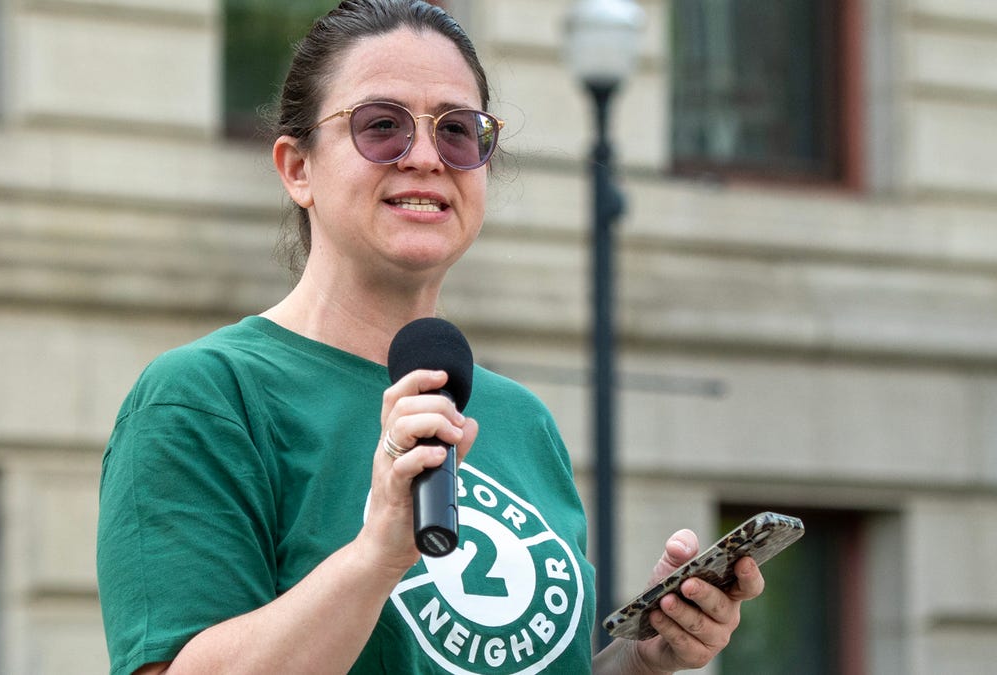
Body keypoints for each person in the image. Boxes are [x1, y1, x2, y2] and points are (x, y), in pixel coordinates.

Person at [96, 1, 765, 673]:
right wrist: (378, 552)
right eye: (381, 126)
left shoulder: (521, 419)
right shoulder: (206, 397)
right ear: (297, 168)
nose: (424, 157)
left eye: (457, 131)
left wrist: (643, 658)